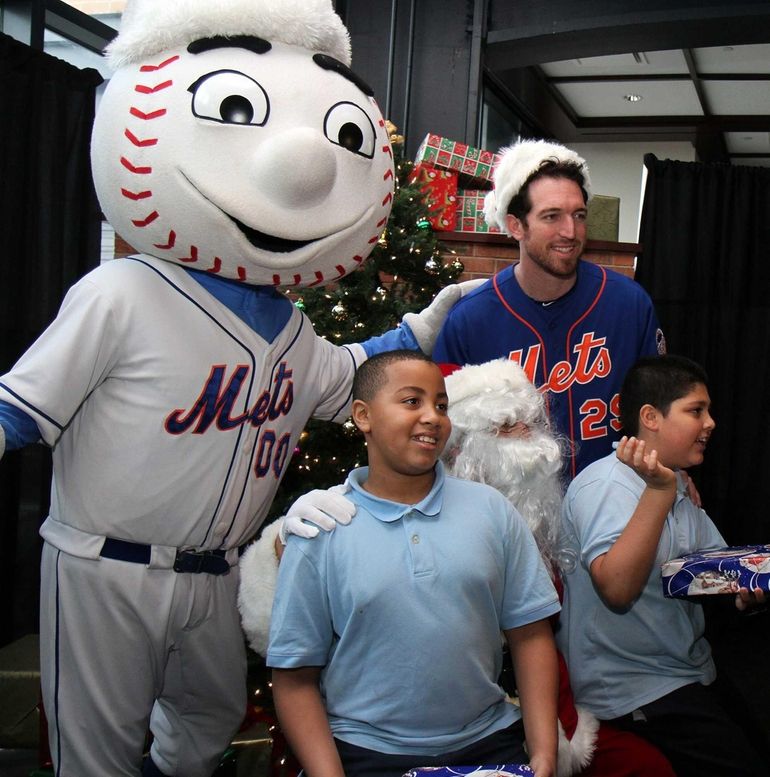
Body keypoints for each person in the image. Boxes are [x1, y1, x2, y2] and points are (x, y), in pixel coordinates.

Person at [0, 2, 473, 775]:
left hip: (216, 572)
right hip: (105, 568)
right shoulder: (121, 290)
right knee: (96, 750)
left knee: (210, 719)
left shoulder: (290, 329)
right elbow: (20, 406)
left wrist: (417, 331)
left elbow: (349, 374)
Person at [266, 350, 561, 777]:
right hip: (365, 754)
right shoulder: (322, 527)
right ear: (363, 416)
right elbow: (293, 677)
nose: (432, 417)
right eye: (411, 401)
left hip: (489, 744)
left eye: (441, 405)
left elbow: (531, 635)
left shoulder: (491, 510)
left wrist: (544, 754)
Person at [441, 358, 675, 777]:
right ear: (462, 449)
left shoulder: (542, 518)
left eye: (530, 421)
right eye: (505, 425)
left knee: (648, 767)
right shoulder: (440, 527)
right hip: (475, 724)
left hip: (563, 715)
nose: (526, 437)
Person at [557, 354, 766, 776]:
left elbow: (715, 571)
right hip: (630, 686)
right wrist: (659, 491)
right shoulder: (607, 486)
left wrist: (748, 593)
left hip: (685, 668)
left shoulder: (676, 484)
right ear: (650, 417)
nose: (710, 424)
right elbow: (616, 588)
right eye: (696, 411)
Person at [433, 139, 666, 479]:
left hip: (615, 506)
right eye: (551, 216)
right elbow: (443, 433)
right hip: (513, 516)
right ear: (516, 226)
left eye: (579, 215)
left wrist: (669, 469)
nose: (570, 231)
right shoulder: (469, 320)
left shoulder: (629, 304)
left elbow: (660, 409)